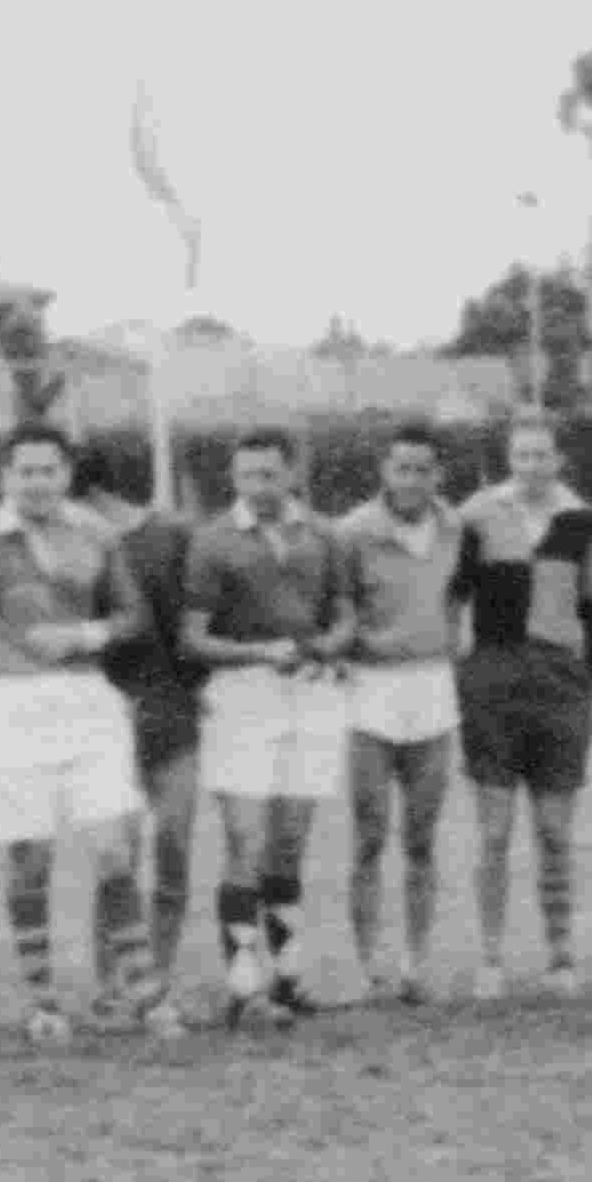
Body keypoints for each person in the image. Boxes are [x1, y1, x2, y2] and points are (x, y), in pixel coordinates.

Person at [0, 423, 160, 1044]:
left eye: (48, 470)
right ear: (4, 477)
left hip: (88, 703)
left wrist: (83, 637)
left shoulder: (96, 532)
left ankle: (143, 990)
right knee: (29, 858)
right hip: (11, 709)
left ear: (67, 473)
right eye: (24, 471)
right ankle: (43, 1000)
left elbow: (132, 616)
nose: (36, 482)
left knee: (116, 847)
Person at [181, 426, 356, 1025]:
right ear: (234, 478)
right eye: (247, 475)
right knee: (245, 840)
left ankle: (286, 977)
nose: (259, 486)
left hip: (310, 697)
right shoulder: (212, 542)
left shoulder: (325, 536)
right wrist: (261, 654)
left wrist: (323, 650)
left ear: (292, 474)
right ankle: (243, 986)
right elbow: (194, 638)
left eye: (270, 474)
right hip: (242, 698)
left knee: (289, 844)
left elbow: (344, 619)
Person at [449, 411, 592, 999]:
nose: (531, 467)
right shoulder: (475, 515)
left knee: (554, 830)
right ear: (509, 459)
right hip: (493, 676)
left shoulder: (582, 520)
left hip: (559, 680)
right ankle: (491, 960)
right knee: (494, 831)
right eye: (521, 456)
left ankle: (560, 957)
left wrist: (589, 682)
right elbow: (452, 597)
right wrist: (462, 667)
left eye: (542, 456)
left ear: (558, 460)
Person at [67, 441, 205, 1032]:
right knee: (115, 855)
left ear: (89, 493)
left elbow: (191, 624)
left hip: (168, 708)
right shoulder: (67, 544)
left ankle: (157, 980)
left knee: (173, 847)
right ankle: (108, 985)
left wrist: (188, 690)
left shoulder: (168, 537)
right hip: (101, 713)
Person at [335, 421, 465, 1006]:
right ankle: (369, 969)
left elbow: (458, 597)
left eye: (423, 470)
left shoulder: (455, 526)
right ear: (384, 472)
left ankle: (416, 964)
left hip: (432, 690)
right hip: (371, 692)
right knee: (368, 837)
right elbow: (335, 610)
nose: (411, 480)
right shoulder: (353, 532)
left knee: (421, 838)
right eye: (401, 469)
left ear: (437, 474)